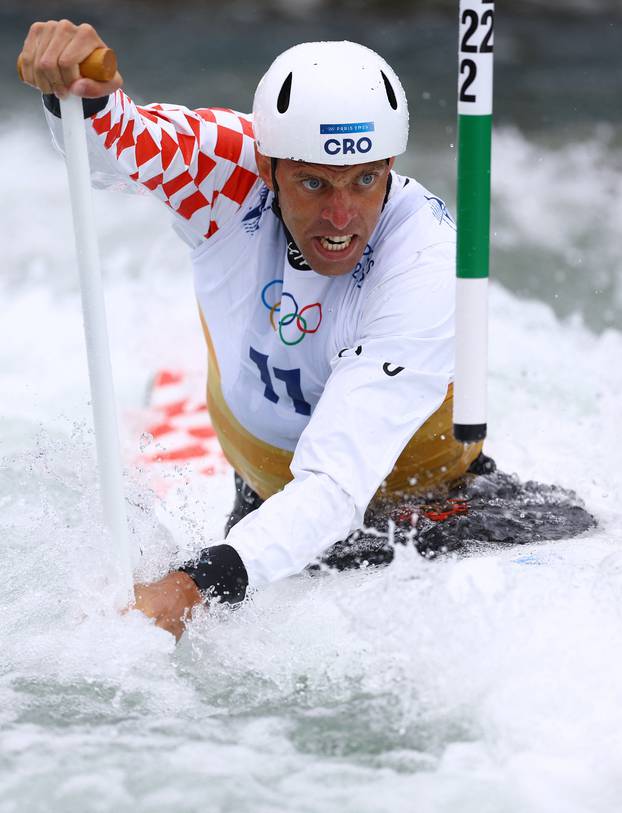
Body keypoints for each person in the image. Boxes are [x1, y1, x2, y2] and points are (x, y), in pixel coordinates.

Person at [19, 20, 486, 640]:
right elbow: (110, 144)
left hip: (428, 510)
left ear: (391, 164)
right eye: (313, 182)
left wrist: (187, 588)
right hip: (265, 498)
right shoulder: (225, 169)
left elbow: (336, 481)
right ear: (268, 163)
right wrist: (81, 88)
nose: (341, 217)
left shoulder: (426, 263)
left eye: (365, 180)